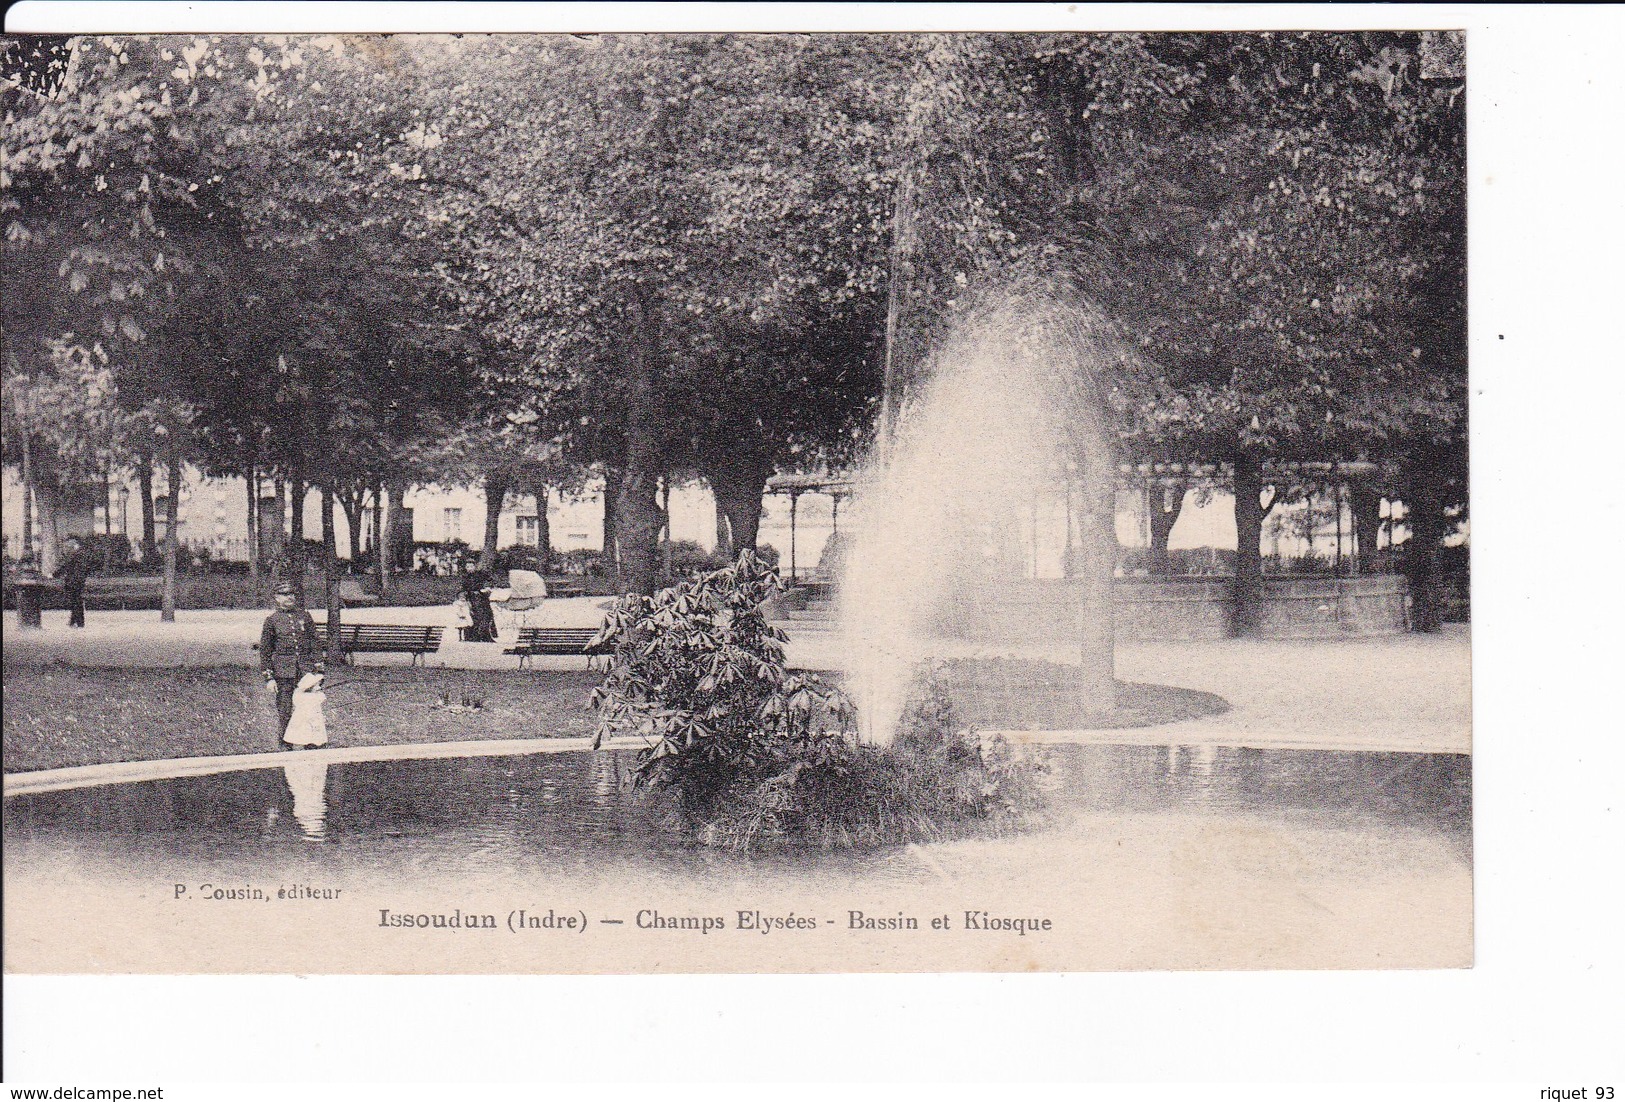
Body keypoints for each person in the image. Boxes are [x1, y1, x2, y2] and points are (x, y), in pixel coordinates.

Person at [259, 582, 324, 744]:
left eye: (292, 594)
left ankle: (312, 740)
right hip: (283, 672)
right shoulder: (272, 621)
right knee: (285, 708)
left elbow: (314, 643)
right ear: (276, 598)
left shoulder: (304, 616)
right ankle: (286, 742)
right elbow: (265, 651)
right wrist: (269, 678)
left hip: (305, 670)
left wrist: (318, 669)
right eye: (285, 594)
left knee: (310, 706)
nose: (290, 597)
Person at [57, 536, 92, 628]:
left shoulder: (73, 554)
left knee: (74, 601)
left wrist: (53, 575)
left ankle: (78, 622)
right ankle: (75, 621)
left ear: (74, 545)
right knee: (77, 600)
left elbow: (65, 566)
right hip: (80, 580)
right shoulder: (84, 554)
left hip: (72, 581)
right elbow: (88, 568)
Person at [461, 571, 499, 643]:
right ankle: (478, 636)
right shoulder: (466, 577)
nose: (470, 568)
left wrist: (488, 588)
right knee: (479, 616)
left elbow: (491, 581)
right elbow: (465, 591)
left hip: (482, 598)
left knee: (488, 614)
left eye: (471, 566)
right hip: (474, 599)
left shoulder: (480, 574)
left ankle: (486, 635)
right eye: (468, 566)